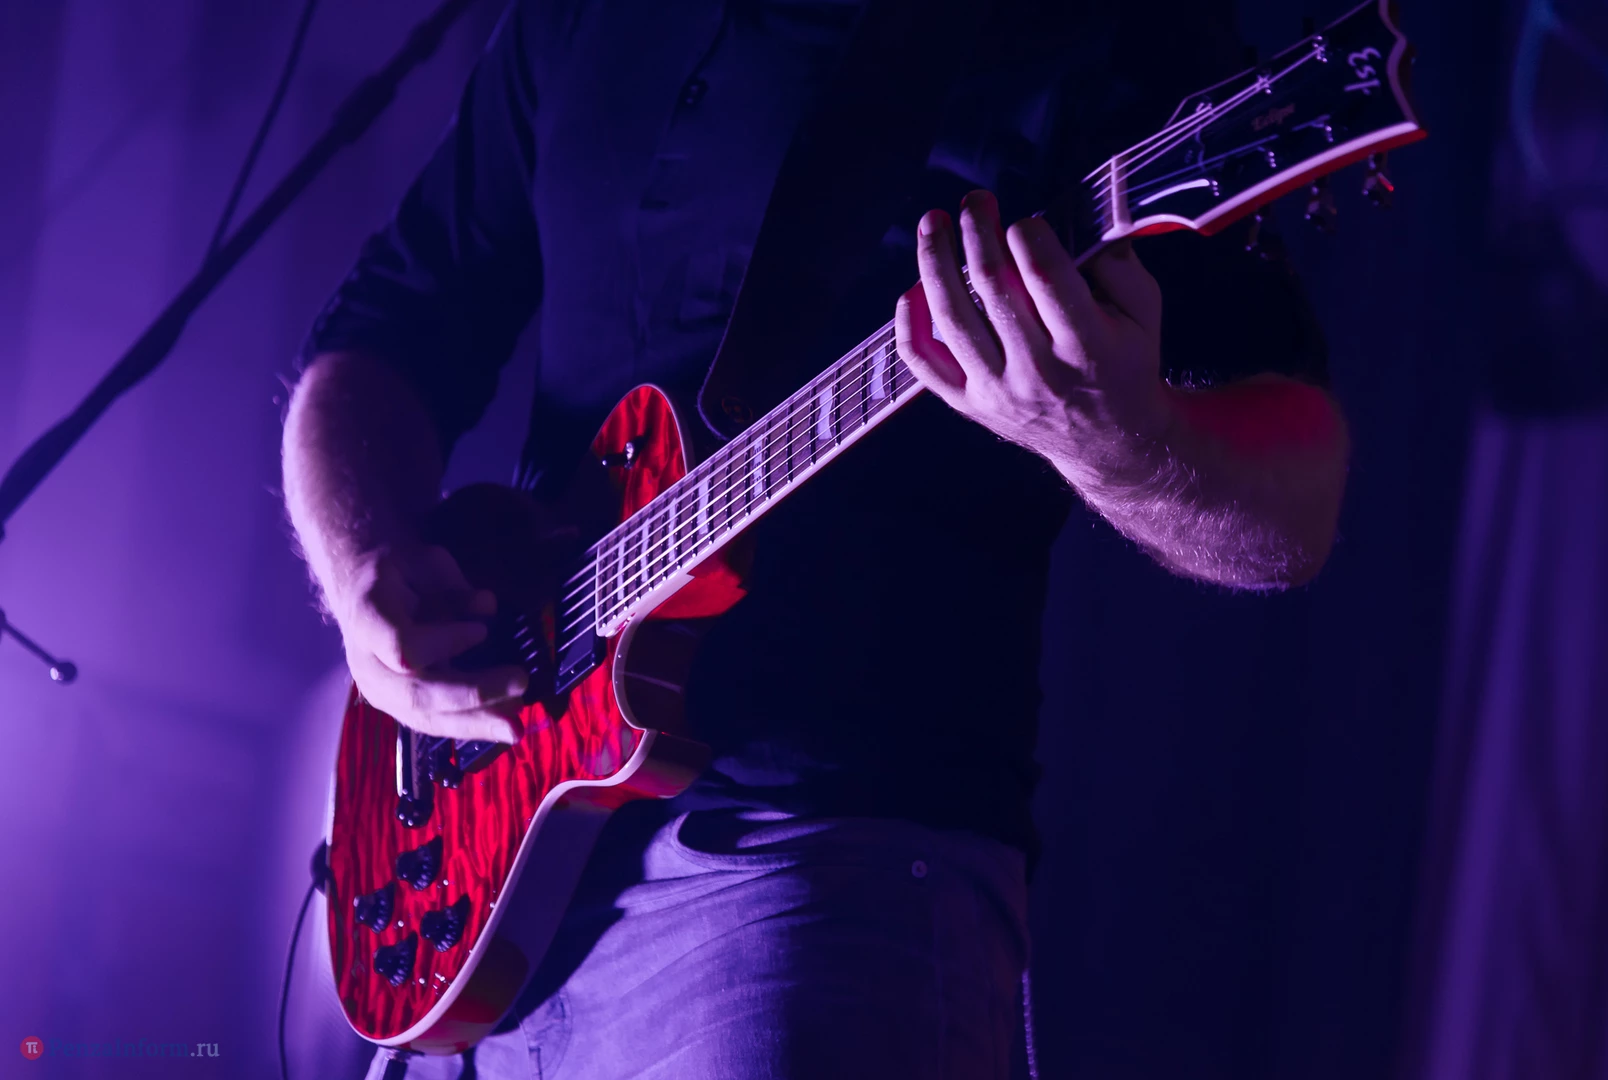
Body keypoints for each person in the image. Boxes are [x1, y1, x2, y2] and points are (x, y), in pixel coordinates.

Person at [282, 0, 1349, 1076]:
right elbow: (388, 328)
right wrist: (359, 562)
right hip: (489, 867)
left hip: (817, 872)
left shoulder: (1107, 29)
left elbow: (1294, 509)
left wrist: (1118, 441)